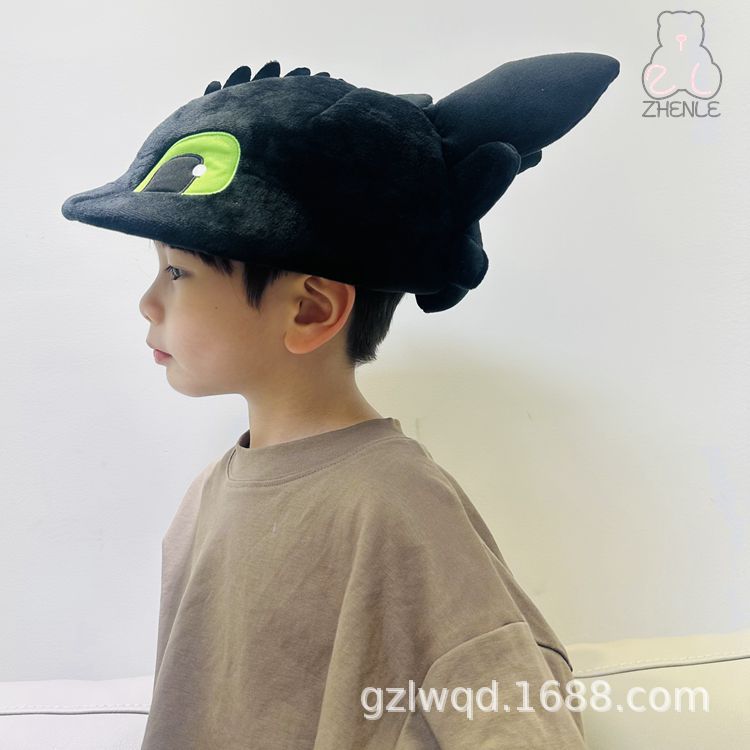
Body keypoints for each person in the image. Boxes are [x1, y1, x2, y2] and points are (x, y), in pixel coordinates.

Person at [61, 54, 619, 749]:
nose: (148, 302)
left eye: (177, 271)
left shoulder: (394, 503)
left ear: (311, 310)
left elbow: (519, 717)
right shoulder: (202, 501)